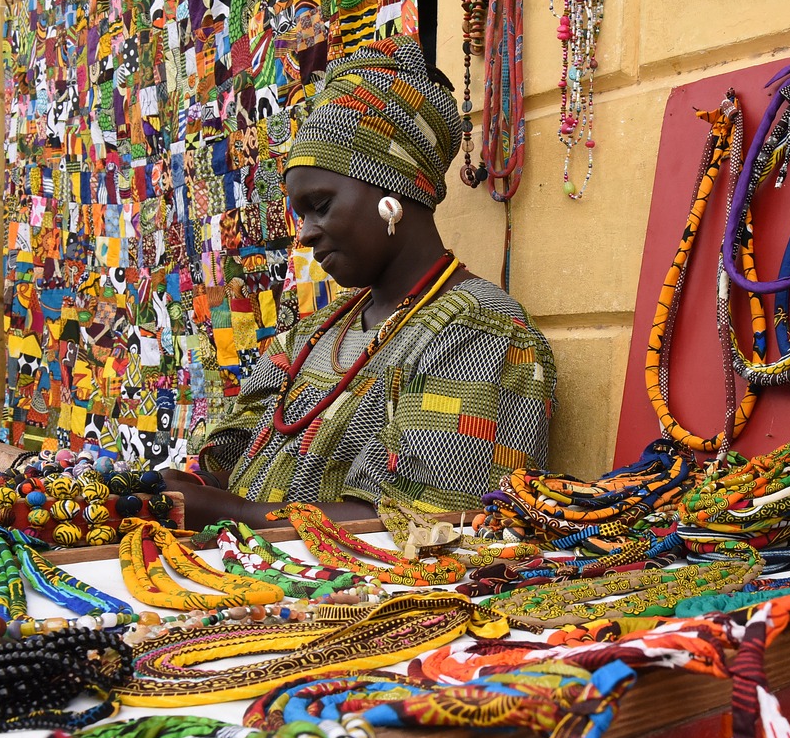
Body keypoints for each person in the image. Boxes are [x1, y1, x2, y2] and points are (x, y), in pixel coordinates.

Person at [165, 36, 557, 530]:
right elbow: (229, 458)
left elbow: (424, 523)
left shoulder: (480, 334)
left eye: (321, 205)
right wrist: (179, 489)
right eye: (299, 213)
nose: (305, 233)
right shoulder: (311, 335)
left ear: (393, 191)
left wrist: (236, 514)